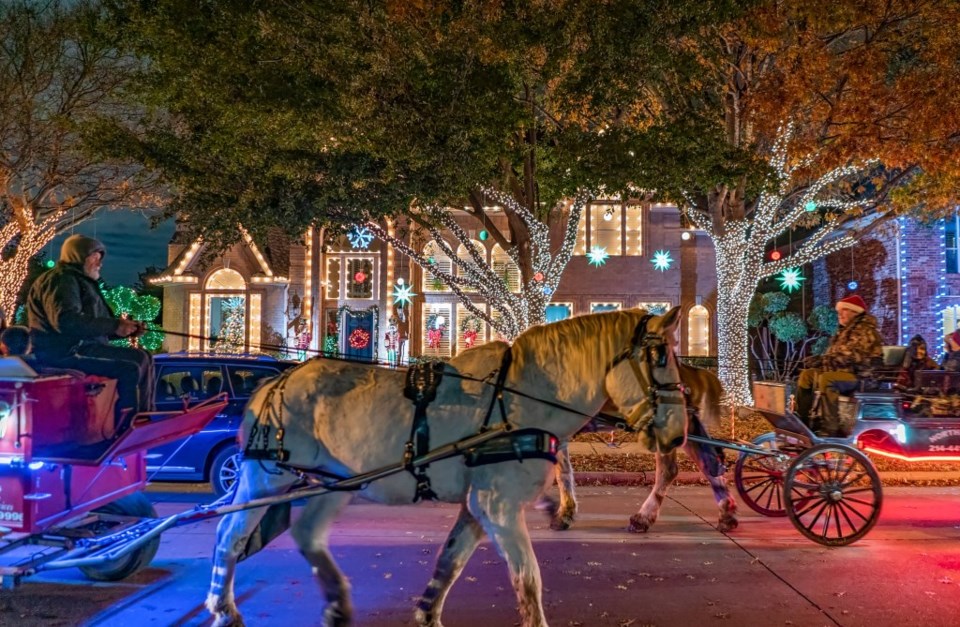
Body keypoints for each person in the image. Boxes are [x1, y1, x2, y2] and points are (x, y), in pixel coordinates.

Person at [26, 234, 155, 423]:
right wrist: (114, 325)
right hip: (65, 353)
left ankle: (144, 415)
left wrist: (123, 329)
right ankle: (126, 422)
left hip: (83, 347)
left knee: (144, 356)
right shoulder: (62, 280)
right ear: (79, 257)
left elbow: (91, 326)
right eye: (95, 257)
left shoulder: (77, 280)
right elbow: (66, 321)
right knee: (132, 365)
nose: (99, 263)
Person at [795, 294, 883, 436]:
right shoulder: (842, 332)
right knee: (807, 375)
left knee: (828, 379)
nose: (840, 314)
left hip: (863, 377)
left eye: (844, 310)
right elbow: (834, 356)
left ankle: (830, 427)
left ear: (855, 312)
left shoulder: (865, 330)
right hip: (845, 371)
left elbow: (853, 357)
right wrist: (819, 360)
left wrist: (823, 361)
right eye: (839, 311)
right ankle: (802, 419)